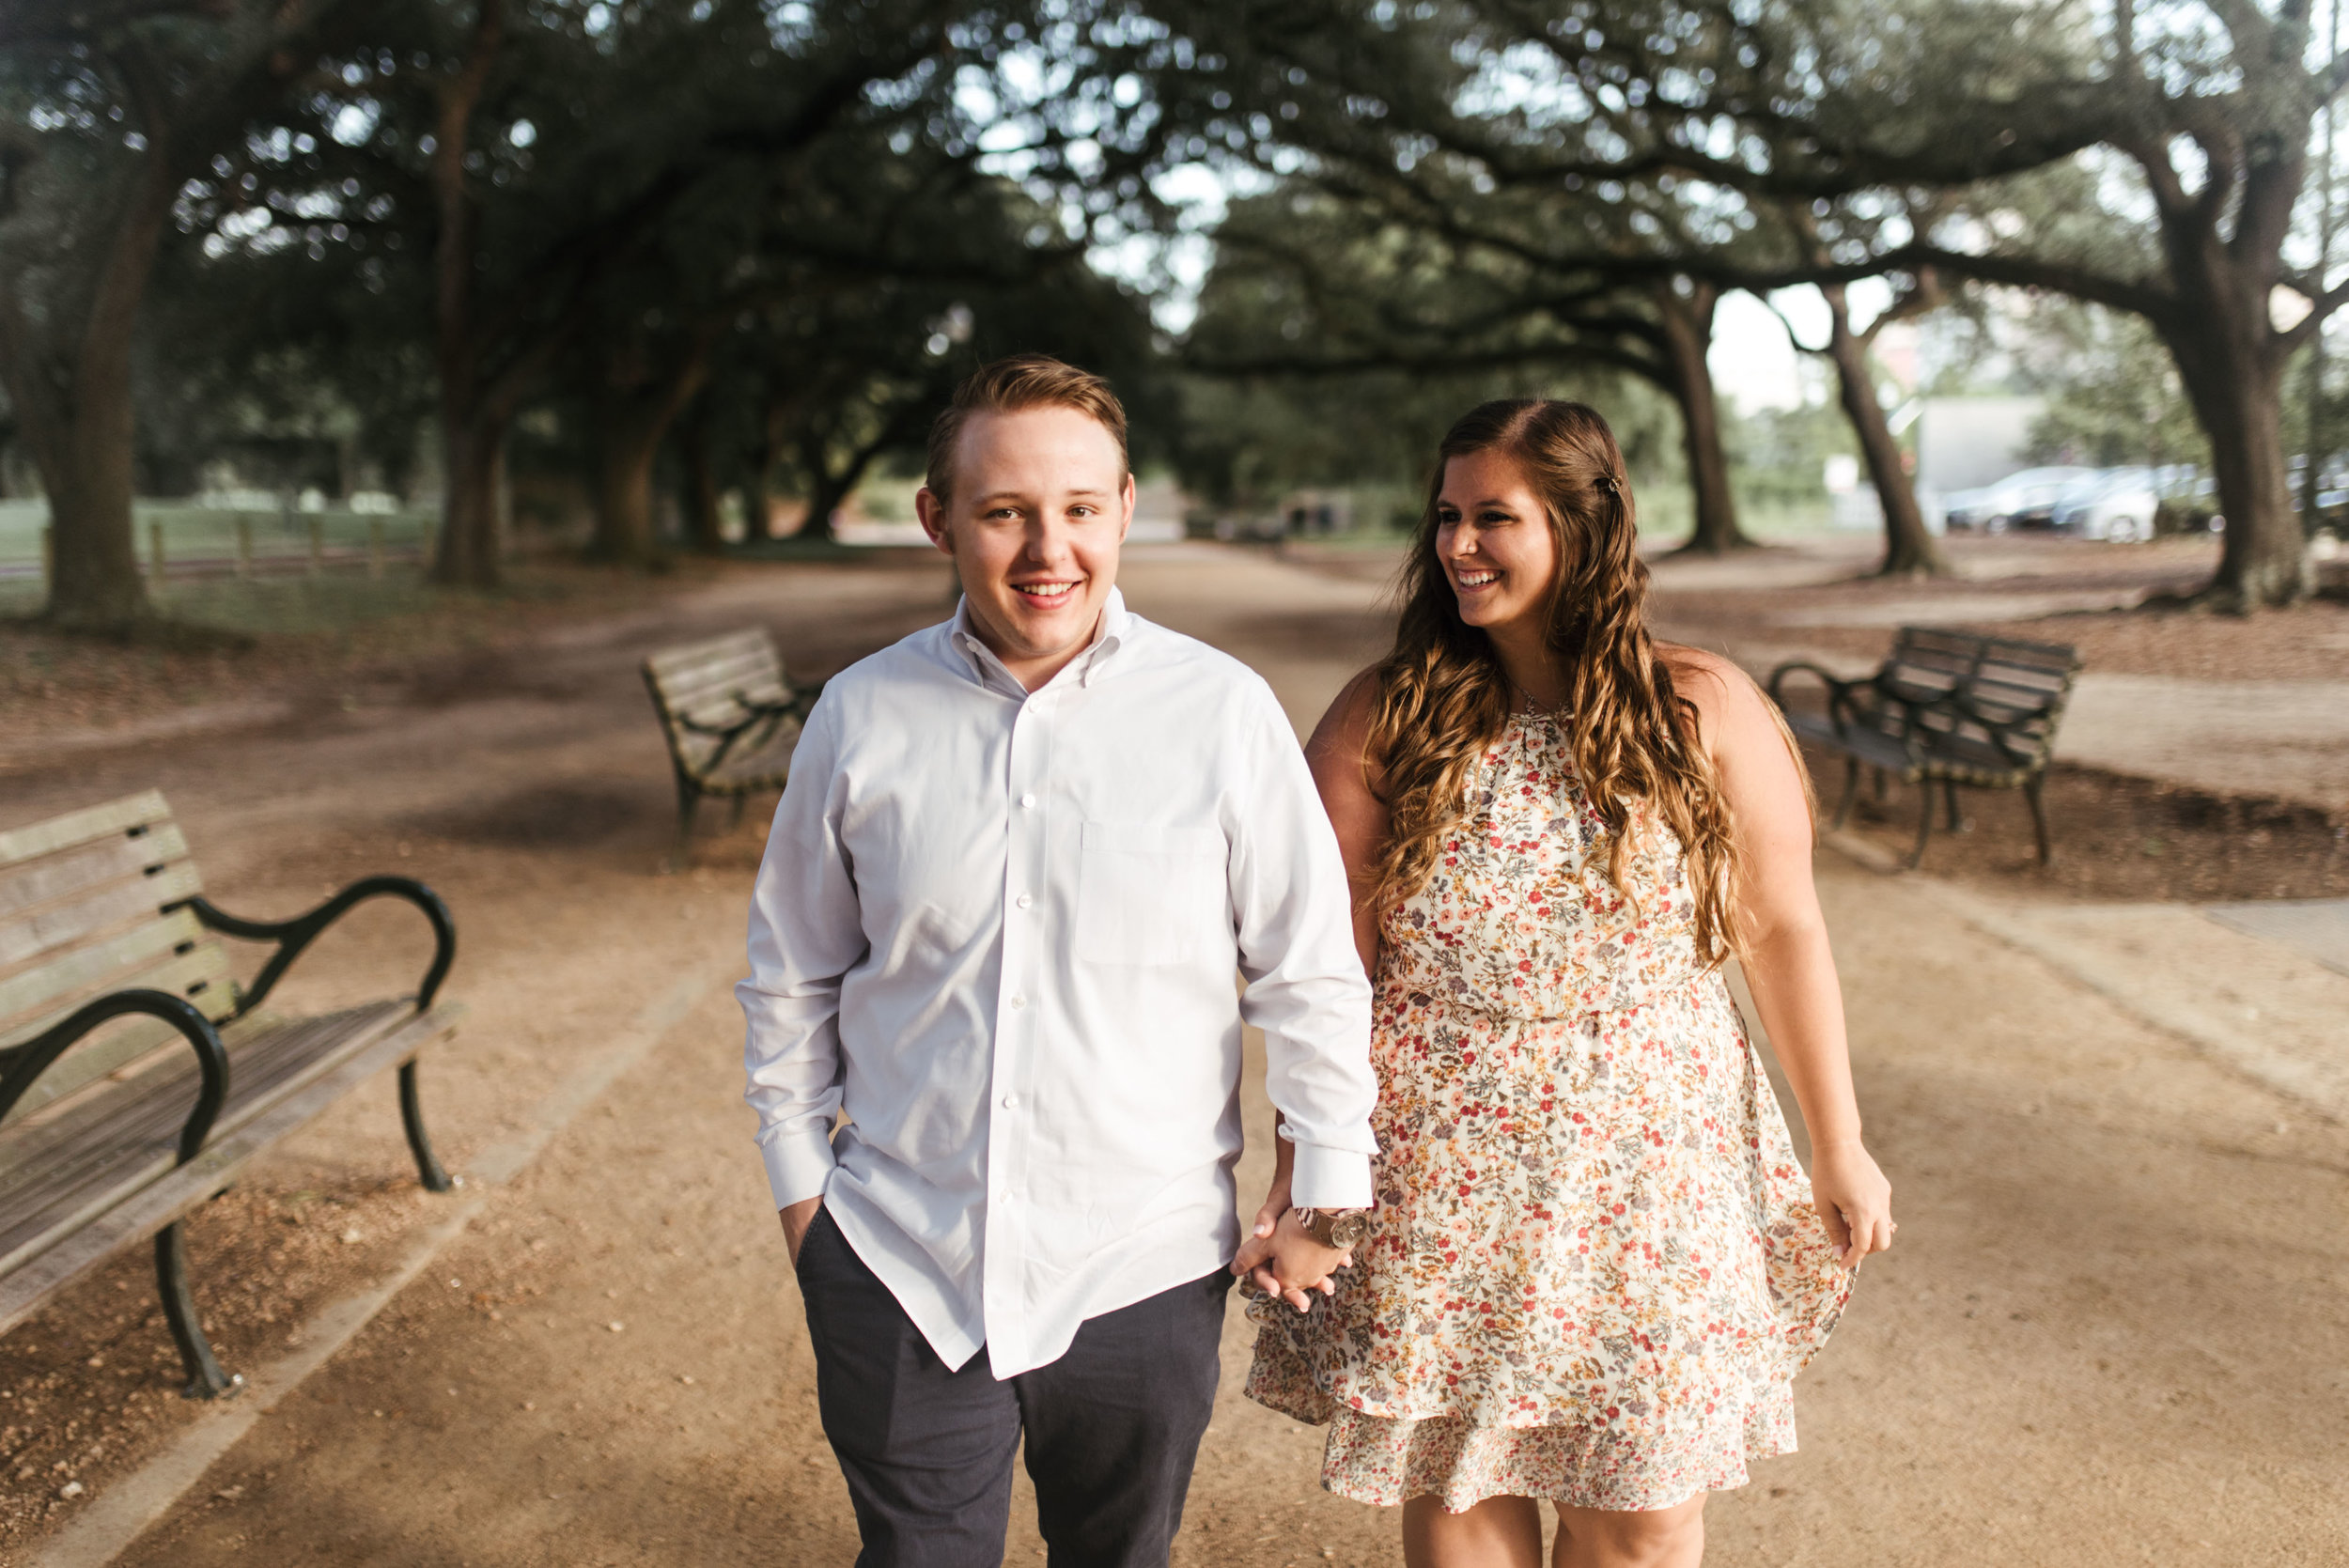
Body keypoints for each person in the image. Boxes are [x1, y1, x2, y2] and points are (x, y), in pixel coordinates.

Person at [738, 354, 1376, 1568]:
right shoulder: (860, 716)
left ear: (1125, 506)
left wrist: (1327, 1186)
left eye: (1080, 509)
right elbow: (790, 971)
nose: (1049, 549)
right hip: (898, 1255)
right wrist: (804, 1203)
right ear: (940, 519)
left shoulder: (1221, 713)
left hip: (1142, 1259)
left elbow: (1307, 968)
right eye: (1005, 511)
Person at [1236, 399, 1895, 1568]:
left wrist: (1836, 1141)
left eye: (1495, 516)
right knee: (1457, 1485)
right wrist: (1308, 1187)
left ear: (1583, 529)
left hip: (1654, 1163)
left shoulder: (1700, 705)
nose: (1457, 544)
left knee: (1644, 1516)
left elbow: (1783, 927)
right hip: (1441, 1159)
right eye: (1446, 516)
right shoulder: (1384, 715)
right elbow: (1320, 972)